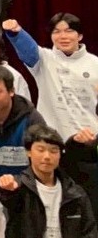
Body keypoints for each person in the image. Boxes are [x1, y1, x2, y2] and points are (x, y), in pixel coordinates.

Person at [6, 15, 98, 221]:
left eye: (69, 31)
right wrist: (15, 31)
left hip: (87, 147)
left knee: (87, 210)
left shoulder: (95, 64)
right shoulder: (44, 59)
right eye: (57, 32)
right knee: (49, 209)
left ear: (80, 35)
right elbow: (27, 48)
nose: (63, 36)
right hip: (51, 145)